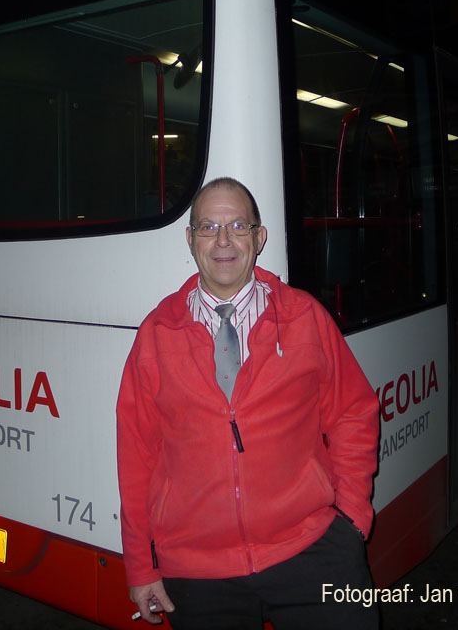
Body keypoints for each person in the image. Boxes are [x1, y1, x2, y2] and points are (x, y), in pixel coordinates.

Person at [117, 177, 379, 629]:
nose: (223, 240)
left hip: (311, 548)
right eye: (208, 227)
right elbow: (136, 456)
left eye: (238, 226)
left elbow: (353, 413)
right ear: (190, 239)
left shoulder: (304, 317)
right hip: (199, 571)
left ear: (259, 239)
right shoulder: (157, 334)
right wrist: (141, 564)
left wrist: (352, 518)